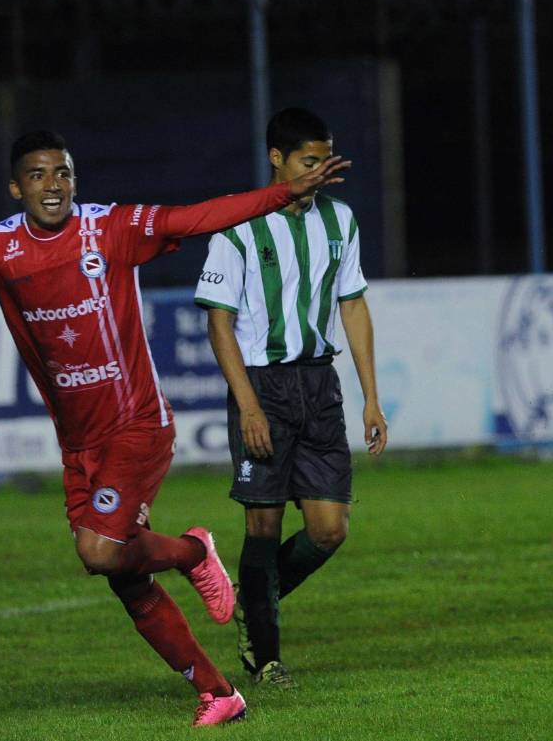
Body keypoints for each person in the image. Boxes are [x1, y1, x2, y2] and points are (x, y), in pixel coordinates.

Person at [0, 130, 349, 726]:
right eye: (38, 175)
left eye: (62, 173)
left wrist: (281, 194)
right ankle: (220, 694)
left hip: (136, 425)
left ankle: (194, 552)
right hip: (78, 443)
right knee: (124, 576)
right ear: (16, 188)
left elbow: (196, 218)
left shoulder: (109, 229)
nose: (53, 185)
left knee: (100, 550)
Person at [195, 108, 387, 689]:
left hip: (318, 384)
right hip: (265, 388)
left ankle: (254, 602)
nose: (320, 172)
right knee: (263, 526)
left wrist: (371, 399)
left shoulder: (341, 221)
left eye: (326, 160)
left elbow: (351, 305)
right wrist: (249, 405)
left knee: (330, 528)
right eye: (310, 161)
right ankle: (267, 657)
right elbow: (219, 324)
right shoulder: (238, 227)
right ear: (277, 160)